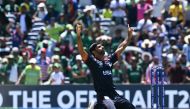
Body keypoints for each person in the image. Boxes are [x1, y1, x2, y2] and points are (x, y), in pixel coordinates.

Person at [76, 23, 135, 109]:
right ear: (94, 53)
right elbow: (81, 51)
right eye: (99, 47)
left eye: (101, 45)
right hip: (102, 98)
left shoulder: (109, 60)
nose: (102, 46)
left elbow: (121, 47)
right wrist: (78, 35)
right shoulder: (92, 62)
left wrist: (129, 36)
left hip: (114, 96)